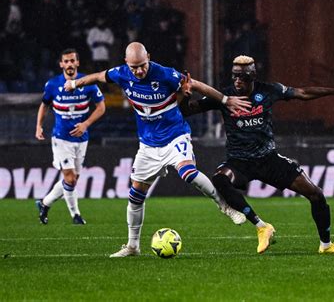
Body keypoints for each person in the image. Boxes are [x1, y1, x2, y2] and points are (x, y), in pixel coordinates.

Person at [63, 42, 251, 257]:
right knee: (135, 196)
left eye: (142, 65)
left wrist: (226, 100)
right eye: (134, 67)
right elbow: (97, 76)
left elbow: (197, 85)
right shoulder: (121, 74)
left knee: (188, 173)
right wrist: (75, 83)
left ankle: (225, 206)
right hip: (148, 145)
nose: (139, 71)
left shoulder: (164, 74)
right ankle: (133, 246)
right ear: (126, 63)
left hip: (175, 135)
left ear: (148, 58)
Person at [180, 55, 334, 254]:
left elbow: (302, 93)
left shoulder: (269, 91)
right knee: (220, 179)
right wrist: (185, 95)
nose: (237, 81)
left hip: (269, 159)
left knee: (316, 195)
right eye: (234, 76)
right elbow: (187, 111)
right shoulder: (224, 96)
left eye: (242, 77)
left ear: (252, 76)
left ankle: (326, 245)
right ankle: (261, 226)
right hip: (239, 161)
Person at [35, 48, 106, 225]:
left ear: (77, 63)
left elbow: (101, 107)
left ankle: (44, 203)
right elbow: (44, 105)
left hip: (82, 138)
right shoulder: (52, 85)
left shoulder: (87, 83)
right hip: (61, 138)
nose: (69, 64)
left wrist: (85, 124)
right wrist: (39, 126)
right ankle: (76, 216)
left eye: (72, 60)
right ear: (61, 64)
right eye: (66, 61)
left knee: (73, 180)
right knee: (70, 178)